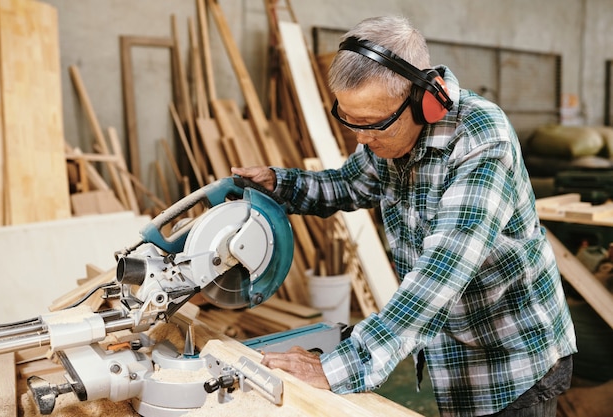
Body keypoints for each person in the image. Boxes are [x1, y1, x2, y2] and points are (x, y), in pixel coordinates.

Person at [231, 15, 576, 417]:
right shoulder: (386, 138)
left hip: (511, 358)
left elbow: (441, 272)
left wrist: (345, 364)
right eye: (349, 120)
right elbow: (348, 184)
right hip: (452, 354)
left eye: (372, 124)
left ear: (423, 100)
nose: (361, 138)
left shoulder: (482, 138)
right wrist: (279, 184)